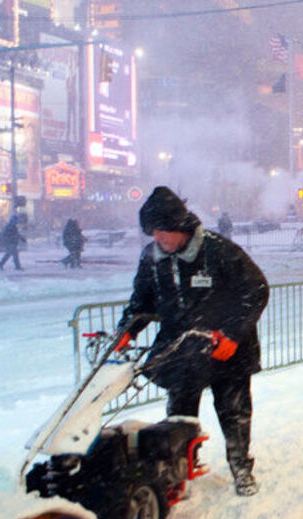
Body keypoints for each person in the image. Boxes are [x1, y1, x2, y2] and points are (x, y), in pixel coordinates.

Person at [114, 186, 270, 497]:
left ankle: (241, 467)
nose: (157, 238)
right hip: (182, 350)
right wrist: (126, 331)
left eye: (162, 231)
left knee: (234, 411)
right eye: (153, 232)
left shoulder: (218, 251)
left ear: (179, 226)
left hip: (225, 349)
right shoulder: (153, 258)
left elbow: (256, 291)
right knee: (179, 416)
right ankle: (179, 470)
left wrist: (233, 333)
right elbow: (141, 300)